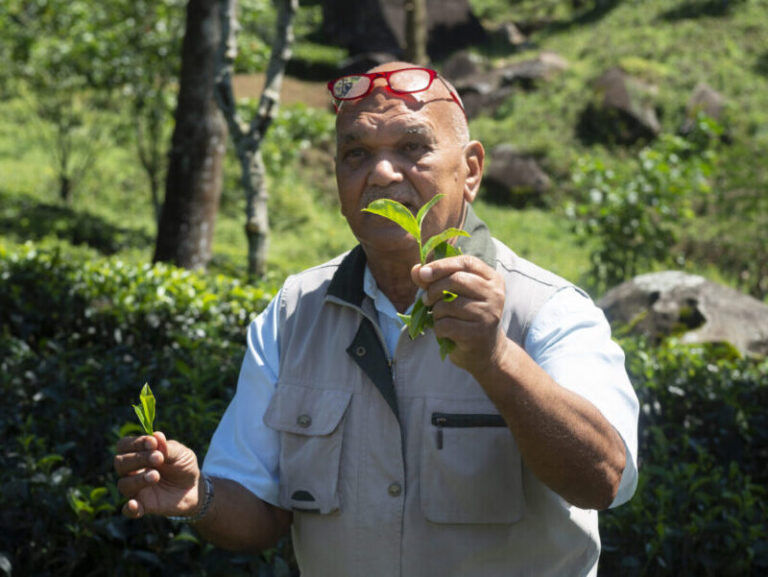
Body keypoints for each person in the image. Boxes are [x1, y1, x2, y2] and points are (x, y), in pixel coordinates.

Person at [114, 61, 639, 576]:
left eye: (413, 148)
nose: (382, 173)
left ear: (471, 170)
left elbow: (603, 479)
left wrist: (498, 359)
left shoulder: (547, 310)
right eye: (357, 153)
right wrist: (200, 497)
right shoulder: (294, 314)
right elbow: (262, 514)